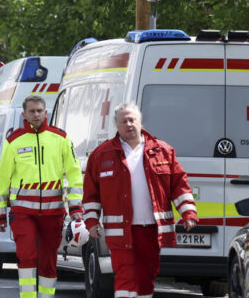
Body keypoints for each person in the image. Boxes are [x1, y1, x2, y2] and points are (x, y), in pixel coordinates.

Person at [83, 103, 198, 298]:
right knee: (125, 274)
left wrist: (188, 212)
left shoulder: (163, 151)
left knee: (147, 276)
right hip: (120, 230)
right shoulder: (101, 155)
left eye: (132, 120)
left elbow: (179, 184)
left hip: (152, 229)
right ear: (117, 126)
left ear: (140, 122)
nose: (128, 124)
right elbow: (91, 194)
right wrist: (92, 221)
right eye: (123, 121)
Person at [0, 95, 83, 298]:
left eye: (39, 110)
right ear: (24, 114)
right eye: (32, 111)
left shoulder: (60, 138)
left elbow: (74, 173)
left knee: (48, 260)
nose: (36, 115)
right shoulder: (13, 141)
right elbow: (1, 180)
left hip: (53, 212)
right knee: (26, 255)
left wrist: (76, 207)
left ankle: (46, 296)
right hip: (23, 212)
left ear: (46, 112)